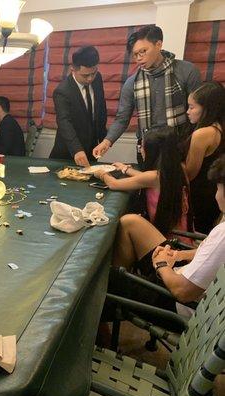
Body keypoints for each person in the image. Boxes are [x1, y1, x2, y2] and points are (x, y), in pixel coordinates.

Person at [111, 154, 225, 315]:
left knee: (109, 282)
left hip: (176, 301)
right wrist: (178, 254)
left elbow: (182, 292)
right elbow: (213, 255)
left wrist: (162, 264)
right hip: (181, 273)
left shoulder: (222, 235)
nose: (215, 195)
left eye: (218, 189)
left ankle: (104, 325)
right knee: (130, 222)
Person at [93, 25, 201, 163]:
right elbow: (122, 118)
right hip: (146, 148)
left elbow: (199, 111)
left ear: (158, 44)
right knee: (146, 184)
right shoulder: (132, 82)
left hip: (180, 147)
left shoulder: (186, 71)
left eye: (143, 51)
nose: (138, 58)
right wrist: (106, 142)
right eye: (135, 55)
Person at [94, 127, 191, 242]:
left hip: (170, 241)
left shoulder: (153, 177)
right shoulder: (177, 169)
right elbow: (146, 178)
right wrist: (125, 168)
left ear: (153, 151)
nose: (141, 150)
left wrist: (101, 174)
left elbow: (114, 184)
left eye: (143, 147)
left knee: (127, 223)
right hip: (184, 237)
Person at [50, 46, 107, 167]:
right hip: (67, 153)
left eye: (94, 73)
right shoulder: (62, 91)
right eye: (85, 75)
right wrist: (76, 149)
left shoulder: (98, 79)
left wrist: (104, 140)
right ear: (73, 70)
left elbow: (101, 110)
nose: (90, 78)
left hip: (91, 151)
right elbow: (64, 122)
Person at [182, 81, 225, 233]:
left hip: (201, 197)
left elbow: (190, 173)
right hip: (215, 194)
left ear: (207, 108)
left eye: (192, 107)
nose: (188, 111)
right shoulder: (220, 127)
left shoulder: (203, 133)